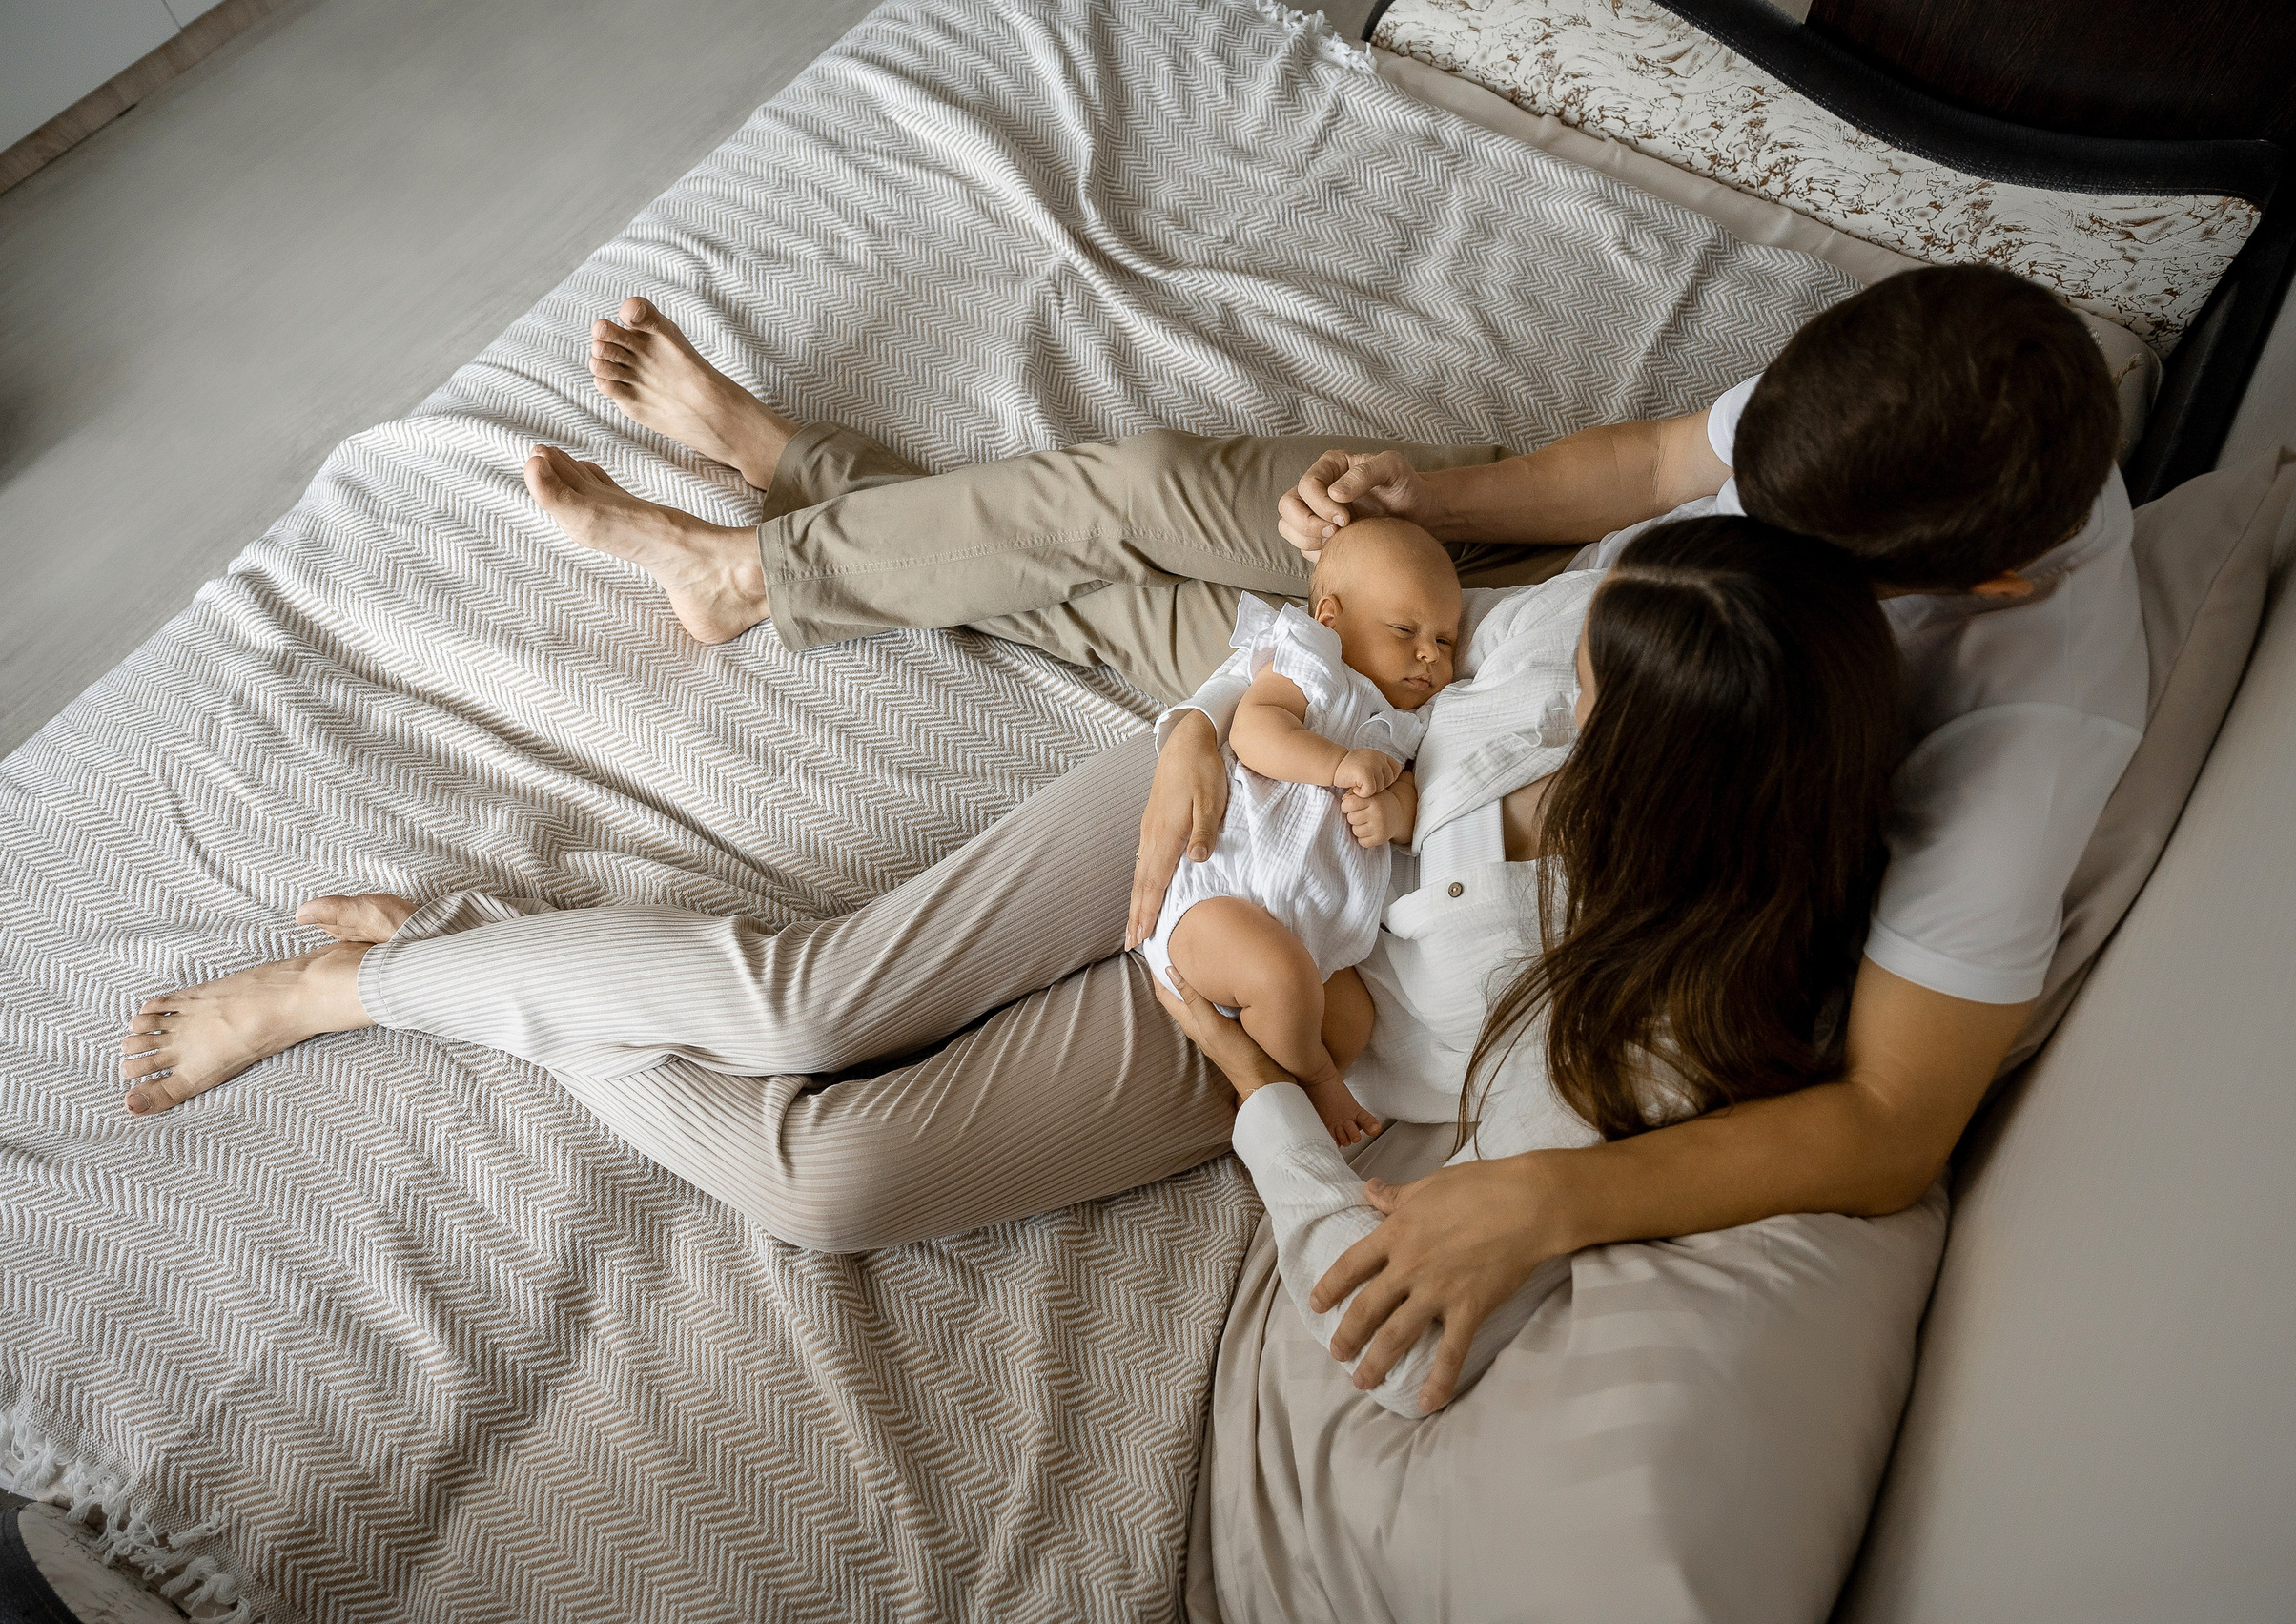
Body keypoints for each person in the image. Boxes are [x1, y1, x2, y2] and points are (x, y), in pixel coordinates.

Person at [123, 262, 2141, 1416]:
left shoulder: (1979, 746)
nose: (1723, 510)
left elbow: (1878, 1118)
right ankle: (403, 947)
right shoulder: (1750, 507)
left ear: (1976, 589)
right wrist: (1338, 590)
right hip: (1411, 686)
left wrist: (1494, 1187)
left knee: (834, 1167)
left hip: (1383, 870)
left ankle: (544, 855)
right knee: (849, 940)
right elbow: (1631, 486)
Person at [1222, 513, 1907, 1415]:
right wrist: (1202, 726)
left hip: (1279, 1012)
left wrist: (1252, 1078)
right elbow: (1373, 630)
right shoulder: (1624, 615)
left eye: (1583, 687)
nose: (1564, 695)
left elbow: (1394, 1346)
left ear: (1645, 762)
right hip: (1258, 790)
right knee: (1115, 514)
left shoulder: (1627, 1024)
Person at [1143, 519, 1463, 1148]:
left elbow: (1413, 795)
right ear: (1330, 616)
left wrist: (1396, 812)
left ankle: (1276, 1083)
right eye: (1406, 630)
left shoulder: (1409, 727)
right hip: (1219, 902)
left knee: (1353, 1020)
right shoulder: (1310, 666)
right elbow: (1255, 732)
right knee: (1282, 977)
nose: (1431, 654)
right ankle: (1313, 1078)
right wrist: (1338, 765)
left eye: (1447, 640)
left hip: (1313, 934)